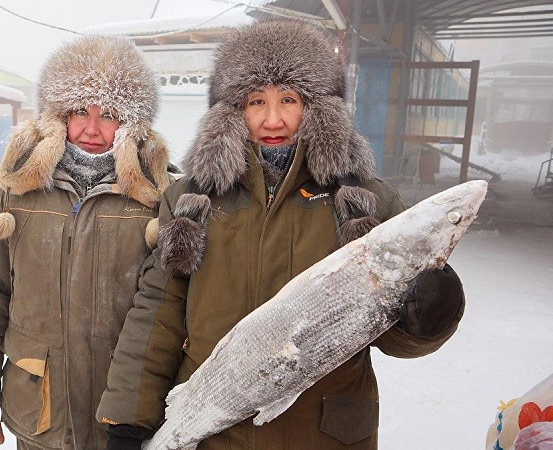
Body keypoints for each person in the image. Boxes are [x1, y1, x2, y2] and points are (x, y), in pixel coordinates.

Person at [97, 19, 465, 450]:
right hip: (217, 433)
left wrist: (428, 317)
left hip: (324, 435)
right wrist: (127, 421)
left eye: (288, 99)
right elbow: (157, 313)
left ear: (317, 108)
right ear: (232, 112)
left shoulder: (368, 202)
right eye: (256, 101)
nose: (273, 119)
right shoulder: (191, 200)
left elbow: (389, 336)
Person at [0, 35, 171, 450]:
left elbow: (172, 316)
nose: (91, 128)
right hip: (39, 417)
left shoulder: (158, 199)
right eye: (78, 112)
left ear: (132, 122)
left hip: (126, 423)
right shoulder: (13, 193)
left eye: (108, 114)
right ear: (57, 115)